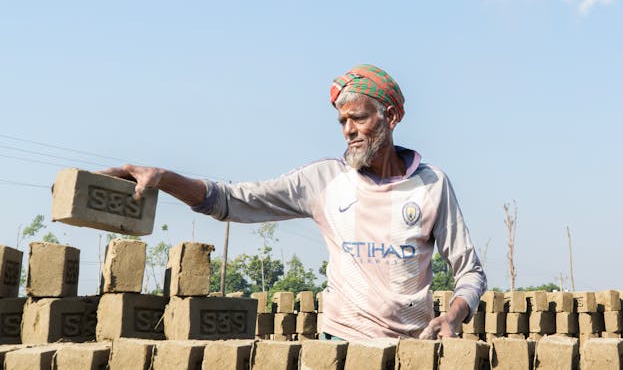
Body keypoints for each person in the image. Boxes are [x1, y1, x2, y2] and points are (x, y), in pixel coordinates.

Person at [104, 64, 486, 340]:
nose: (349, 130)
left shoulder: (431, 185)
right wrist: (163, 178)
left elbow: (470, 272)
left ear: (392, 116)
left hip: (413, 349)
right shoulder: (324, 180)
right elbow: (232, 200)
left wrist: (453, 317)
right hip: (341, 344)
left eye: (358, 118)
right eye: (342, 121)